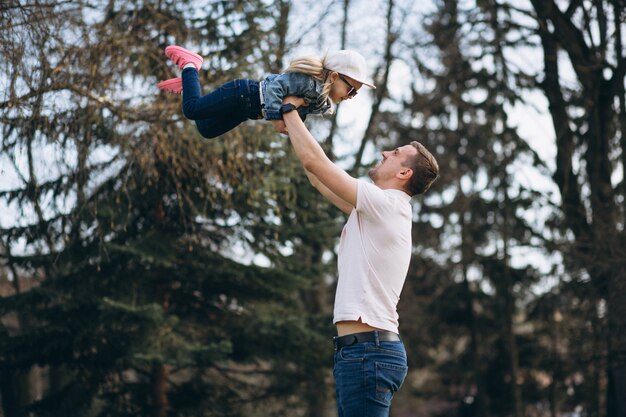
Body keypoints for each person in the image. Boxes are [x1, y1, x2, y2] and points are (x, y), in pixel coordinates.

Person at [280, 97, 439, 417]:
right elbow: (316, 175)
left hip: (369, 352)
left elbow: (316, 163)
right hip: (361, 352)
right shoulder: (374, 211)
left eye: (394, 154)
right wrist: (292, 127)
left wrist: (288, 108)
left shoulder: (388, 205)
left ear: (405, 172)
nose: (384, 152)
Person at [156, 45, 375, 138]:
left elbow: (296, 107)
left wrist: (296, 115)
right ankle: (190, 66)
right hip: (242, 93)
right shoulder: (308, 82)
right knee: (192, 110)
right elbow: (278, 87)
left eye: (354, 94)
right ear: (335, 77)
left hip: (246, 111)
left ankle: (188, 84)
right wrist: (275, 119)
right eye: (351, 89)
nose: (350, 96)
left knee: (206, 130)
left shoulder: (321, 101)